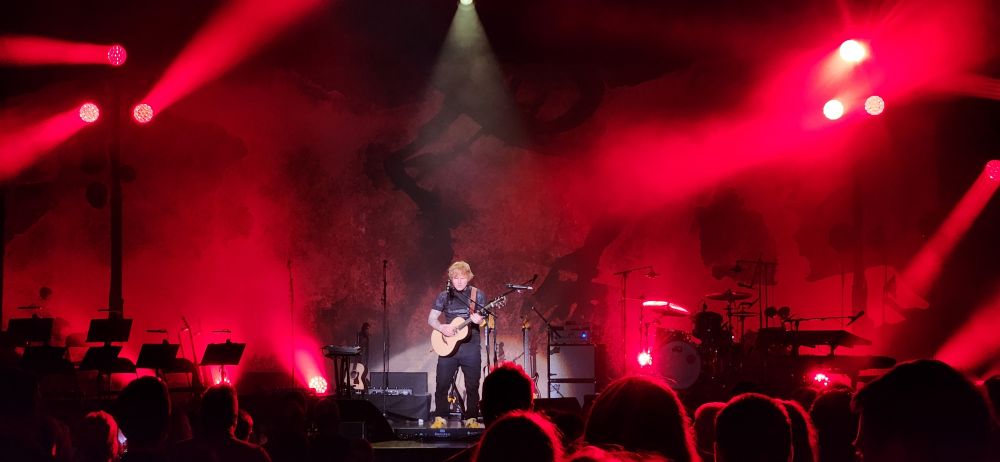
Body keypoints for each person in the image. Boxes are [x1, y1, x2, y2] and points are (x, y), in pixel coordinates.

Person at [428, 261, 486, 429]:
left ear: (468, 277)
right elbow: (431, 318)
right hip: (448, 345)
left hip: (471, 346)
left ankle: (472, 418)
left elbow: (483, 320)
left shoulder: (477, 295)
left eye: (462, 277)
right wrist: (441, 327)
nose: (459, 281)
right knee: (442, 383)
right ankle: (440, 417)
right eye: (455, 278)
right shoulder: (444, 296)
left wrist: (479, 320)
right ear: (451, 279)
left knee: (472, 384)